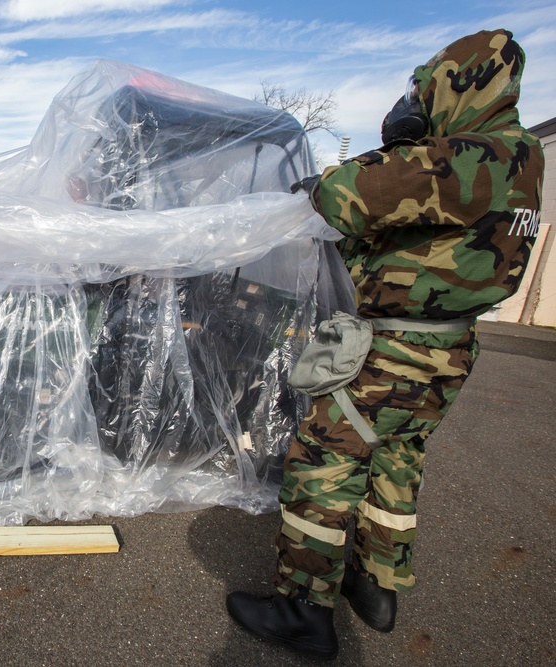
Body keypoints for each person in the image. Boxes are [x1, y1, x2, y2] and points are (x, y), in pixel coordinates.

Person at [226, 29, 544, 661]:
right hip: (451, 351)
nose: (417, 101)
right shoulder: (525, 159)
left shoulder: (473, 156)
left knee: (323, 463)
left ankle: (302, 610)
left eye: (427, 88)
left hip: (393, 351)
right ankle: (378, 588)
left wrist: (320, 184)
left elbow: (346, 195)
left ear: (460, 84)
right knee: (397, 464)